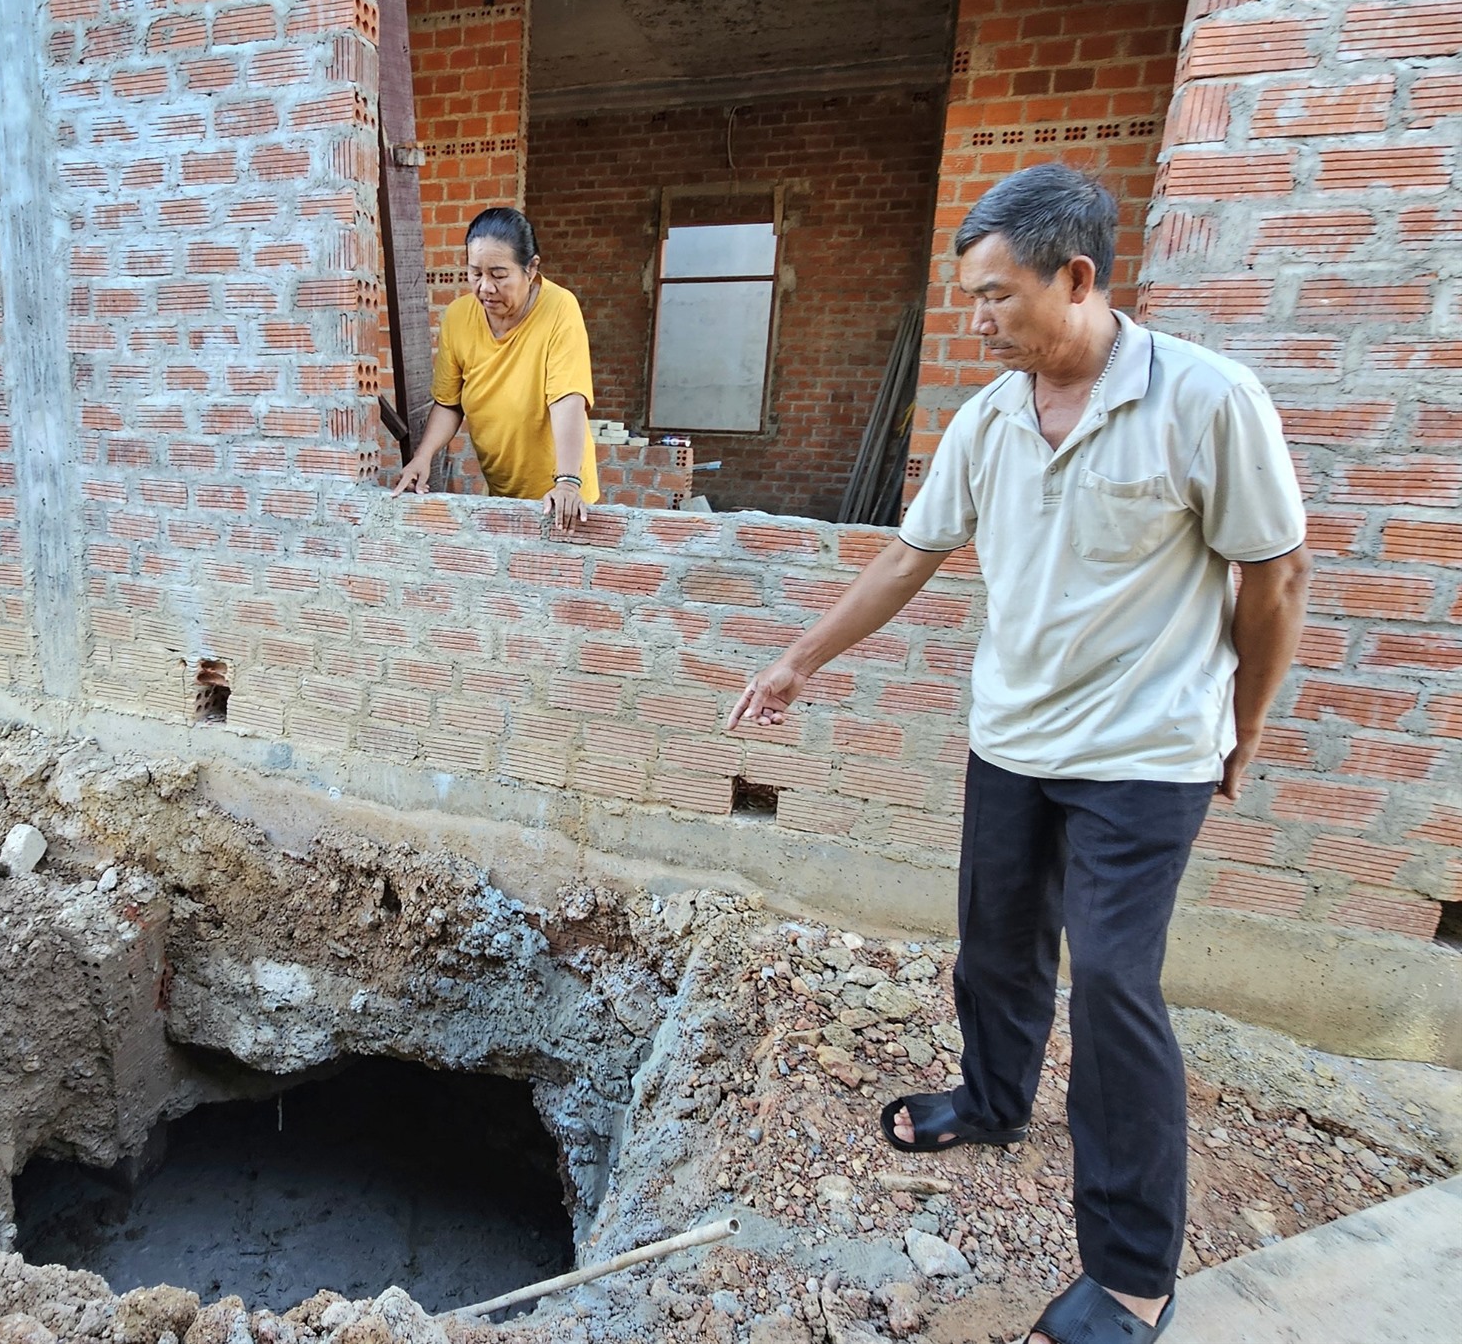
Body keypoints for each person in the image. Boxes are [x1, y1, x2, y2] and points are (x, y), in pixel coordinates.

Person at [726, 164, 1310, 1344]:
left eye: (995, 297)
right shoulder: (988, 418)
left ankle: (1132, 1271)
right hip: (1012, 739)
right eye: (968, 299)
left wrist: (1239, 732)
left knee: (1108, 982)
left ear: (1076, 278)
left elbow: (1274, 575)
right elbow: (908, 556)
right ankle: (992, 1101)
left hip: (1144, 757)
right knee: (994, 943)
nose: (976, 321)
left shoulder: (1205, 400)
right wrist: (797, 660)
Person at [391, 207, 600, 533]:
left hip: (560, 495)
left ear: (531, 269)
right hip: (502, 491)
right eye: (475, 273)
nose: (485, 287)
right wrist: (423, 456)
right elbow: (449, 402)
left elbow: (567, 398)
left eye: (499, 275)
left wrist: (569, 482)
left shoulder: (559, 309)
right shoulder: (459, 317)